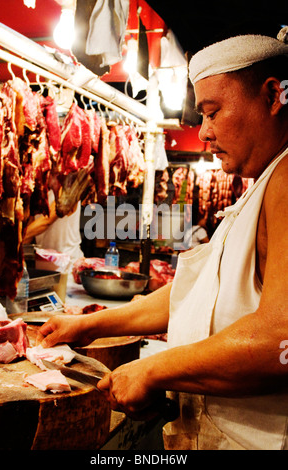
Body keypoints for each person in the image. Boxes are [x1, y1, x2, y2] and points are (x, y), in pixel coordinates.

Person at [37, 27, 288, 450]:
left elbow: (281, 340)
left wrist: (154, 370)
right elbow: (192, 294)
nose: (203, 132)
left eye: (212, 111)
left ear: (271, 95)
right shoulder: (263, 184)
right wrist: (89, 326)